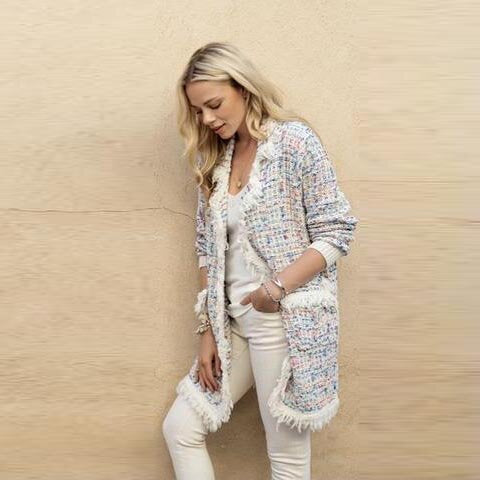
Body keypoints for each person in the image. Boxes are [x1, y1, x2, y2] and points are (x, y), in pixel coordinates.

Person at [162, 41, 359, 480]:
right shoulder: (215, 158)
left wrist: (276, 288)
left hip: (281, 319)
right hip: (231, 323)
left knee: (286, 460)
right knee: (180, 428)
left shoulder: (294, 142)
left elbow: (337, 229)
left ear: (243, 88)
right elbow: (206, 248)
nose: (207, 119)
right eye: (198, 111)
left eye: (214, 105)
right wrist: (208, 329)